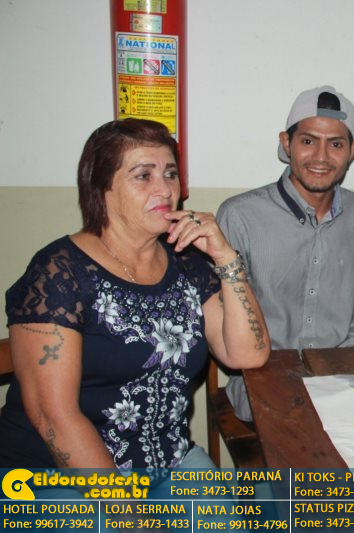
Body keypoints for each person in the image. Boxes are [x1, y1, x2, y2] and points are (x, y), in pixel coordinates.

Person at [0, 119, 270, 475]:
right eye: (143, 176)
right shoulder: (58, 273)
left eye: (170, 174)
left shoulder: (187, 261)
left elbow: (247, 355)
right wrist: (126, 506)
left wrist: (225, 257)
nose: (165, 189)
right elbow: (53, 417)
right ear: (101, 187)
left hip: (168, 460)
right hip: (60, 472)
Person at [218, 85, 354, 421]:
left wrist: (336, 377)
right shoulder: (240, 216)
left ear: (353, 151)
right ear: (286, 143)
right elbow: (224, 321)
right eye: (308, 141)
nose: (321, 157)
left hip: (340, 379)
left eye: (335, 144)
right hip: (263, 381)